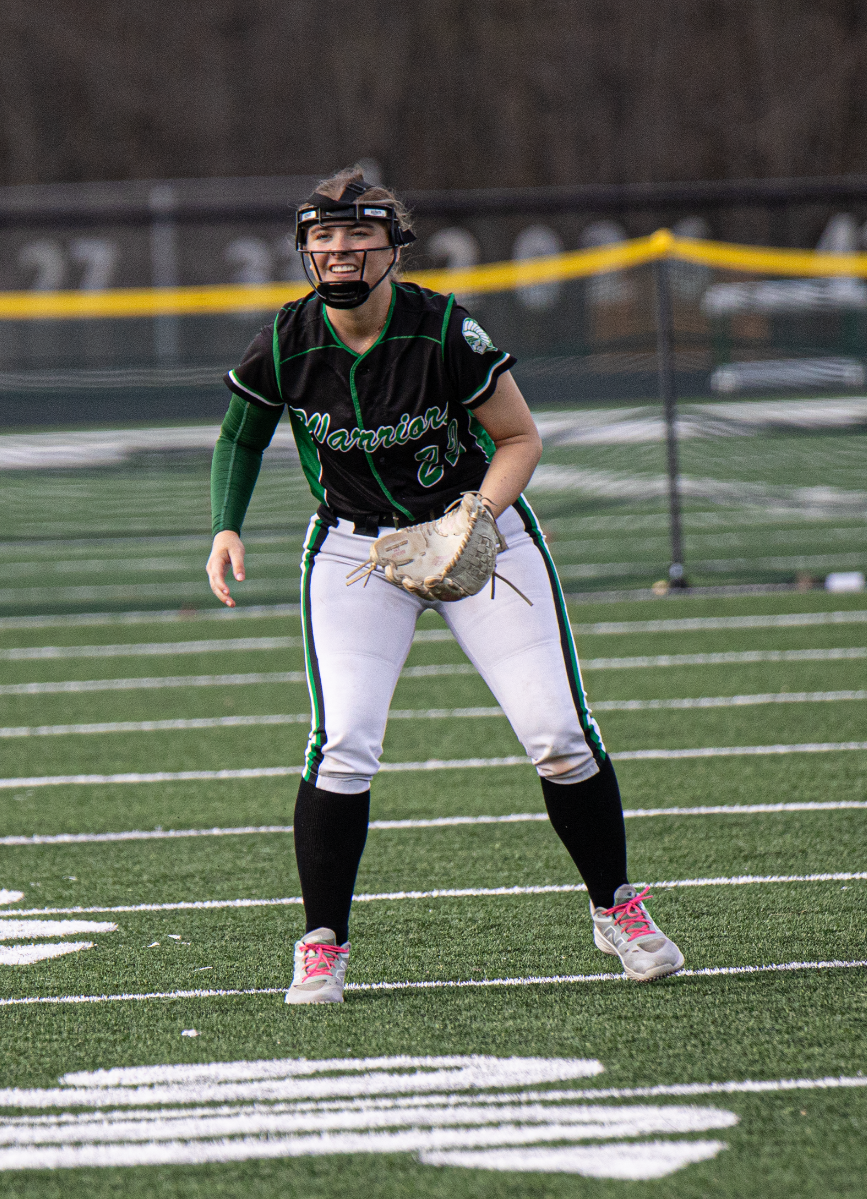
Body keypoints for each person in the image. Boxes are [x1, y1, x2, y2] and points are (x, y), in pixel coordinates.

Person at [205, 166, 685, 1004]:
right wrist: (226, 523)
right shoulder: (287, 338)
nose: (340, 249)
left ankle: (617, 909)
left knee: (558, 732)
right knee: (344, 742)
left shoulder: (441, 329)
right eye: (323, 237)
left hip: (478, 535)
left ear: (394, 246)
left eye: (358, 235)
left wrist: (475, 519)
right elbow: (241, 434)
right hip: (360, 553)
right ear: (305, 250)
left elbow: (520, 437)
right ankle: (322, 941)